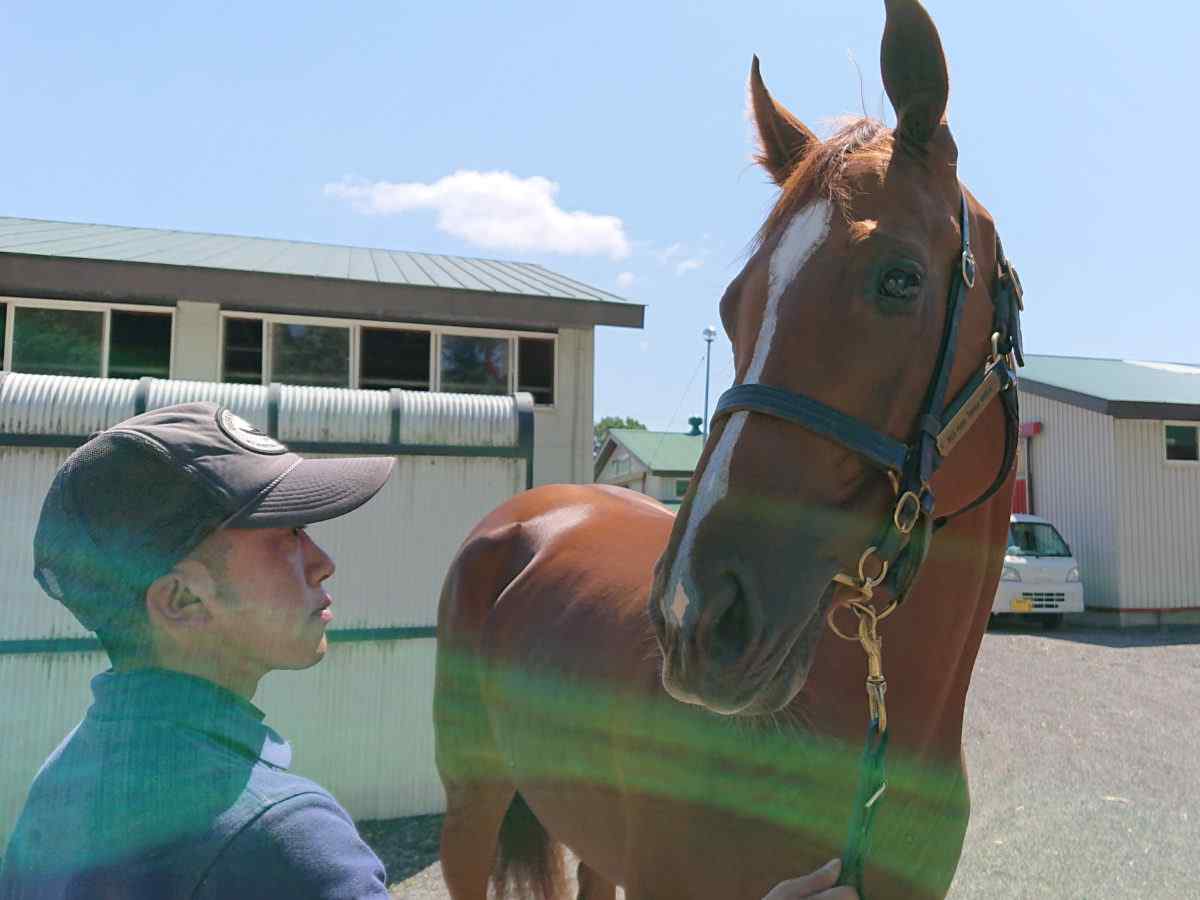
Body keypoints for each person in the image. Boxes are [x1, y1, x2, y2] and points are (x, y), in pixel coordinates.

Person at [0, 402, 396, 899]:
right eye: (288, 533)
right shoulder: (285, 840)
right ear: (182, 600)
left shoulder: (63, 780)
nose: (323, 562)